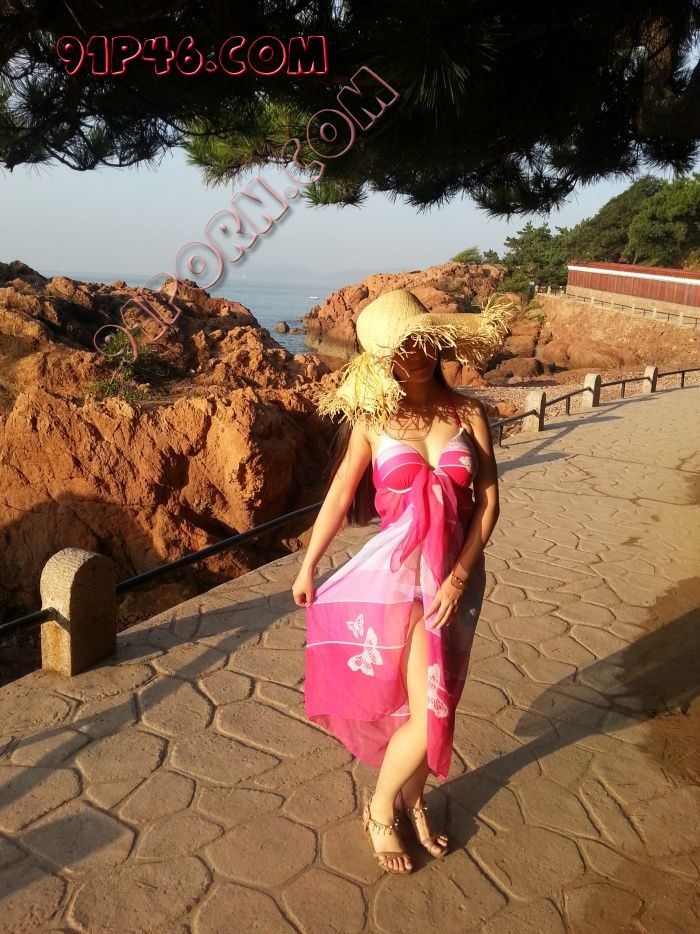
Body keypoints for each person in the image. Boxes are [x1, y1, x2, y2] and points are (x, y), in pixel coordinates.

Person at [292, 288, 514, 875]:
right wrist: (309, 564)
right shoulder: (373, 420)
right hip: (395, 580)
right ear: (380, 358)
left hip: (455, 577)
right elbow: (341, 492)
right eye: (399, 348)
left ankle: (413, 800)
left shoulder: (468, 413)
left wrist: (459, 576)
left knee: (438, 699)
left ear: (435, 340)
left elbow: (488, 503)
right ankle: (382, 809)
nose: (413, 355)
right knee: (429, 708)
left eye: (419, 342)